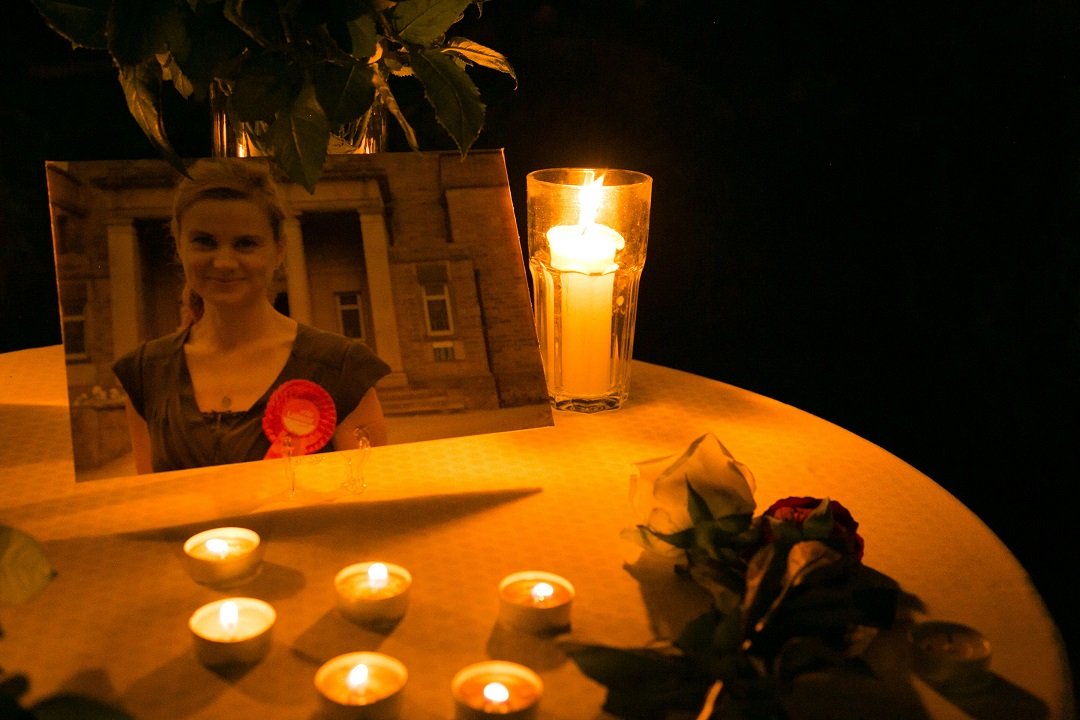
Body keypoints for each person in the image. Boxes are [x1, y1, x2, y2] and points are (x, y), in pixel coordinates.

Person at [113, 158, 391, 474]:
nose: (224, 262)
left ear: (278, 251)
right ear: (179, 246)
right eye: (204, 241)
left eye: (245, 243)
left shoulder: (343, 368)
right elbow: (150, 510)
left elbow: (371, 503)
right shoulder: (145, 374)